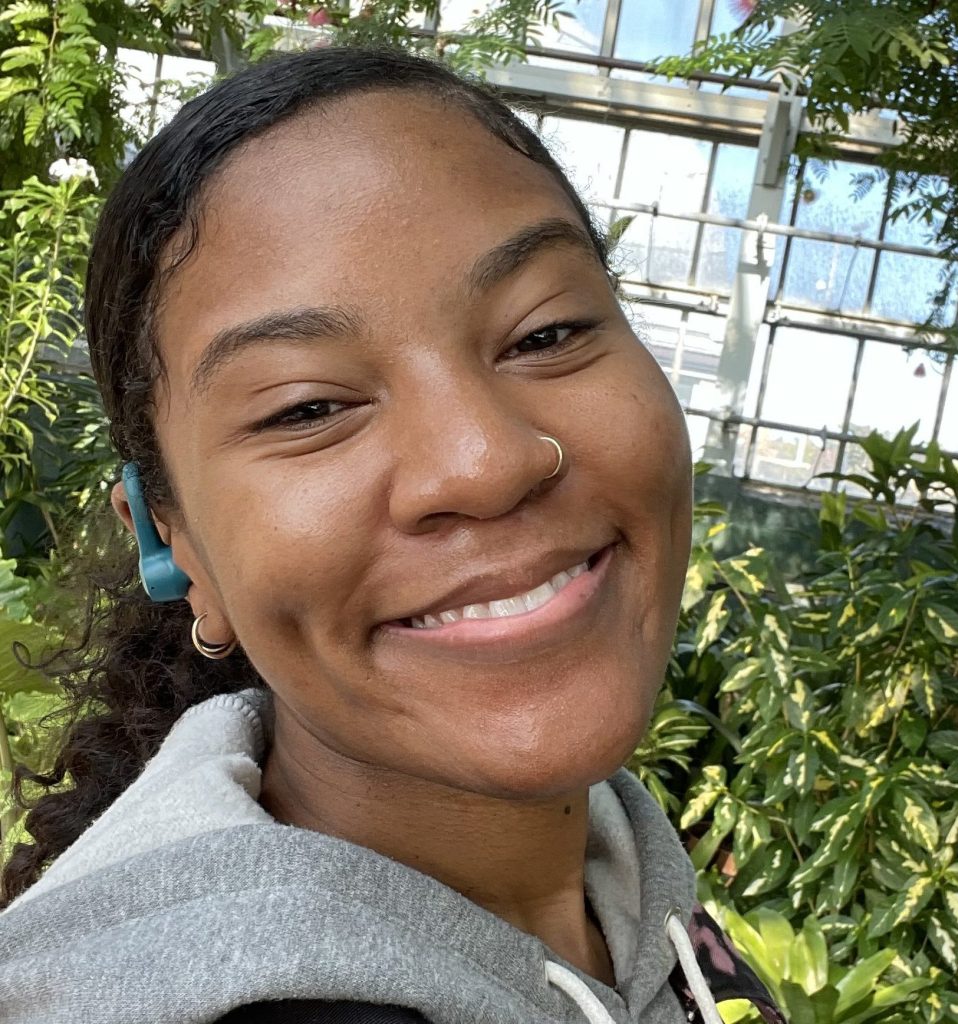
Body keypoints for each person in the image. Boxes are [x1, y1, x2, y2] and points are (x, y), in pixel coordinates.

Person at [0, 46, 785, 1024]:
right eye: (307, 406)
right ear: (176, 547)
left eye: (546, 331)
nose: (486, 461)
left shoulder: (616, 862)